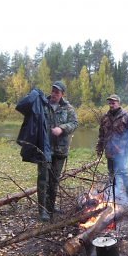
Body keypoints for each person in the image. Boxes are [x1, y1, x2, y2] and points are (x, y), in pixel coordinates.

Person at [38, 81, 78, 222]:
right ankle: (42, 210)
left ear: (62, 94)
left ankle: (50, 207)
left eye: (57, 92)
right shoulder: (43, 104)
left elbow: (74, 123)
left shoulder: (68, 108)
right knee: (43, 180)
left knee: (54, 180)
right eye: (53, 91)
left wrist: (62, 128)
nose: (54, 94)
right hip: (44, 149)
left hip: (60, 150)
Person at [96, 94, 128, 199]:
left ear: (118, 103)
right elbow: (101, 134)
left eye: (113, 102)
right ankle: (112, 193)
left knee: (123, 171)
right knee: (111, 172)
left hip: (122, 151)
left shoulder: (126, 117)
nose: (111, 105)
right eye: (110, 103)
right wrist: (99, 147)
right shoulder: (105, 117)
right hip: (109, 151)